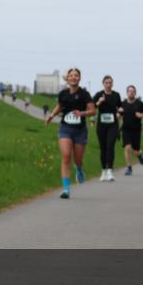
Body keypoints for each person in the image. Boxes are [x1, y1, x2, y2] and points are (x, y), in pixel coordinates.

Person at [44, 68, 95, 199]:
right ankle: (66, 189)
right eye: (71, 75)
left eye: (76, 75)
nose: (73, 77)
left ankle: (79, 169)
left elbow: (93, 111)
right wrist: (51, 115)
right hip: (65, 128)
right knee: (66, 156)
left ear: (79, 78)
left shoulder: (84, 94)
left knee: (78, 160)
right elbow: (60, 106)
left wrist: (82, 113)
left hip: (80, 130)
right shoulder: (63, 93)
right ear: (67, 78)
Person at [92, 75, 121, 182]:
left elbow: (120, 106)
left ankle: (110, 170)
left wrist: (120, 112)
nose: (108, 85)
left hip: (113, 124)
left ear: (112, 84)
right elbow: (92, 108)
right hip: (101, 125)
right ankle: (103, 170)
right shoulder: (98, 94)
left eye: (110, 83)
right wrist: (99, 102)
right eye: (106, 83)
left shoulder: (116, 95)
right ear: (103, 84)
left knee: (110, 145)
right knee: (103, 147)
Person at [118, 85, 143, 175]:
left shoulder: (139, 103)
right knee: (127, 148)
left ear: (135, 93)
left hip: (136, 130)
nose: (131, 93)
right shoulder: (123, 103)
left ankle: (139, 155)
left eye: (133, 91)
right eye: (130, 91)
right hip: (126, 129)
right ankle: (129, 168)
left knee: (136, 150)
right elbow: (119, 114)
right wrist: (118, 114)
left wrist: (141, 115)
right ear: (127, 92)